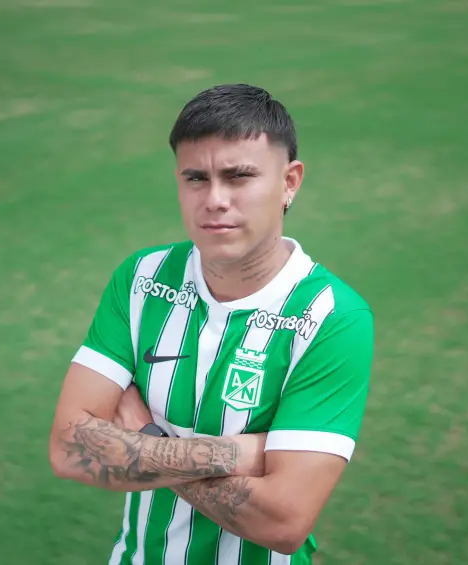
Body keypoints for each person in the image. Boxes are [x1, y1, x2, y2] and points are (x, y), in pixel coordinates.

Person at [49, 83, 375, 565]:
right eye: (196, 178)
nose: (215, 199)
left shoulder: (332, 316)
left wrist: (148, 438)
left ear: (289, 182)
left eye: (239, 176)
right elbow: (69, 449)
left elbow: (284, 523)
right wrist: (241, 453)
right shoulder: (143, 279)